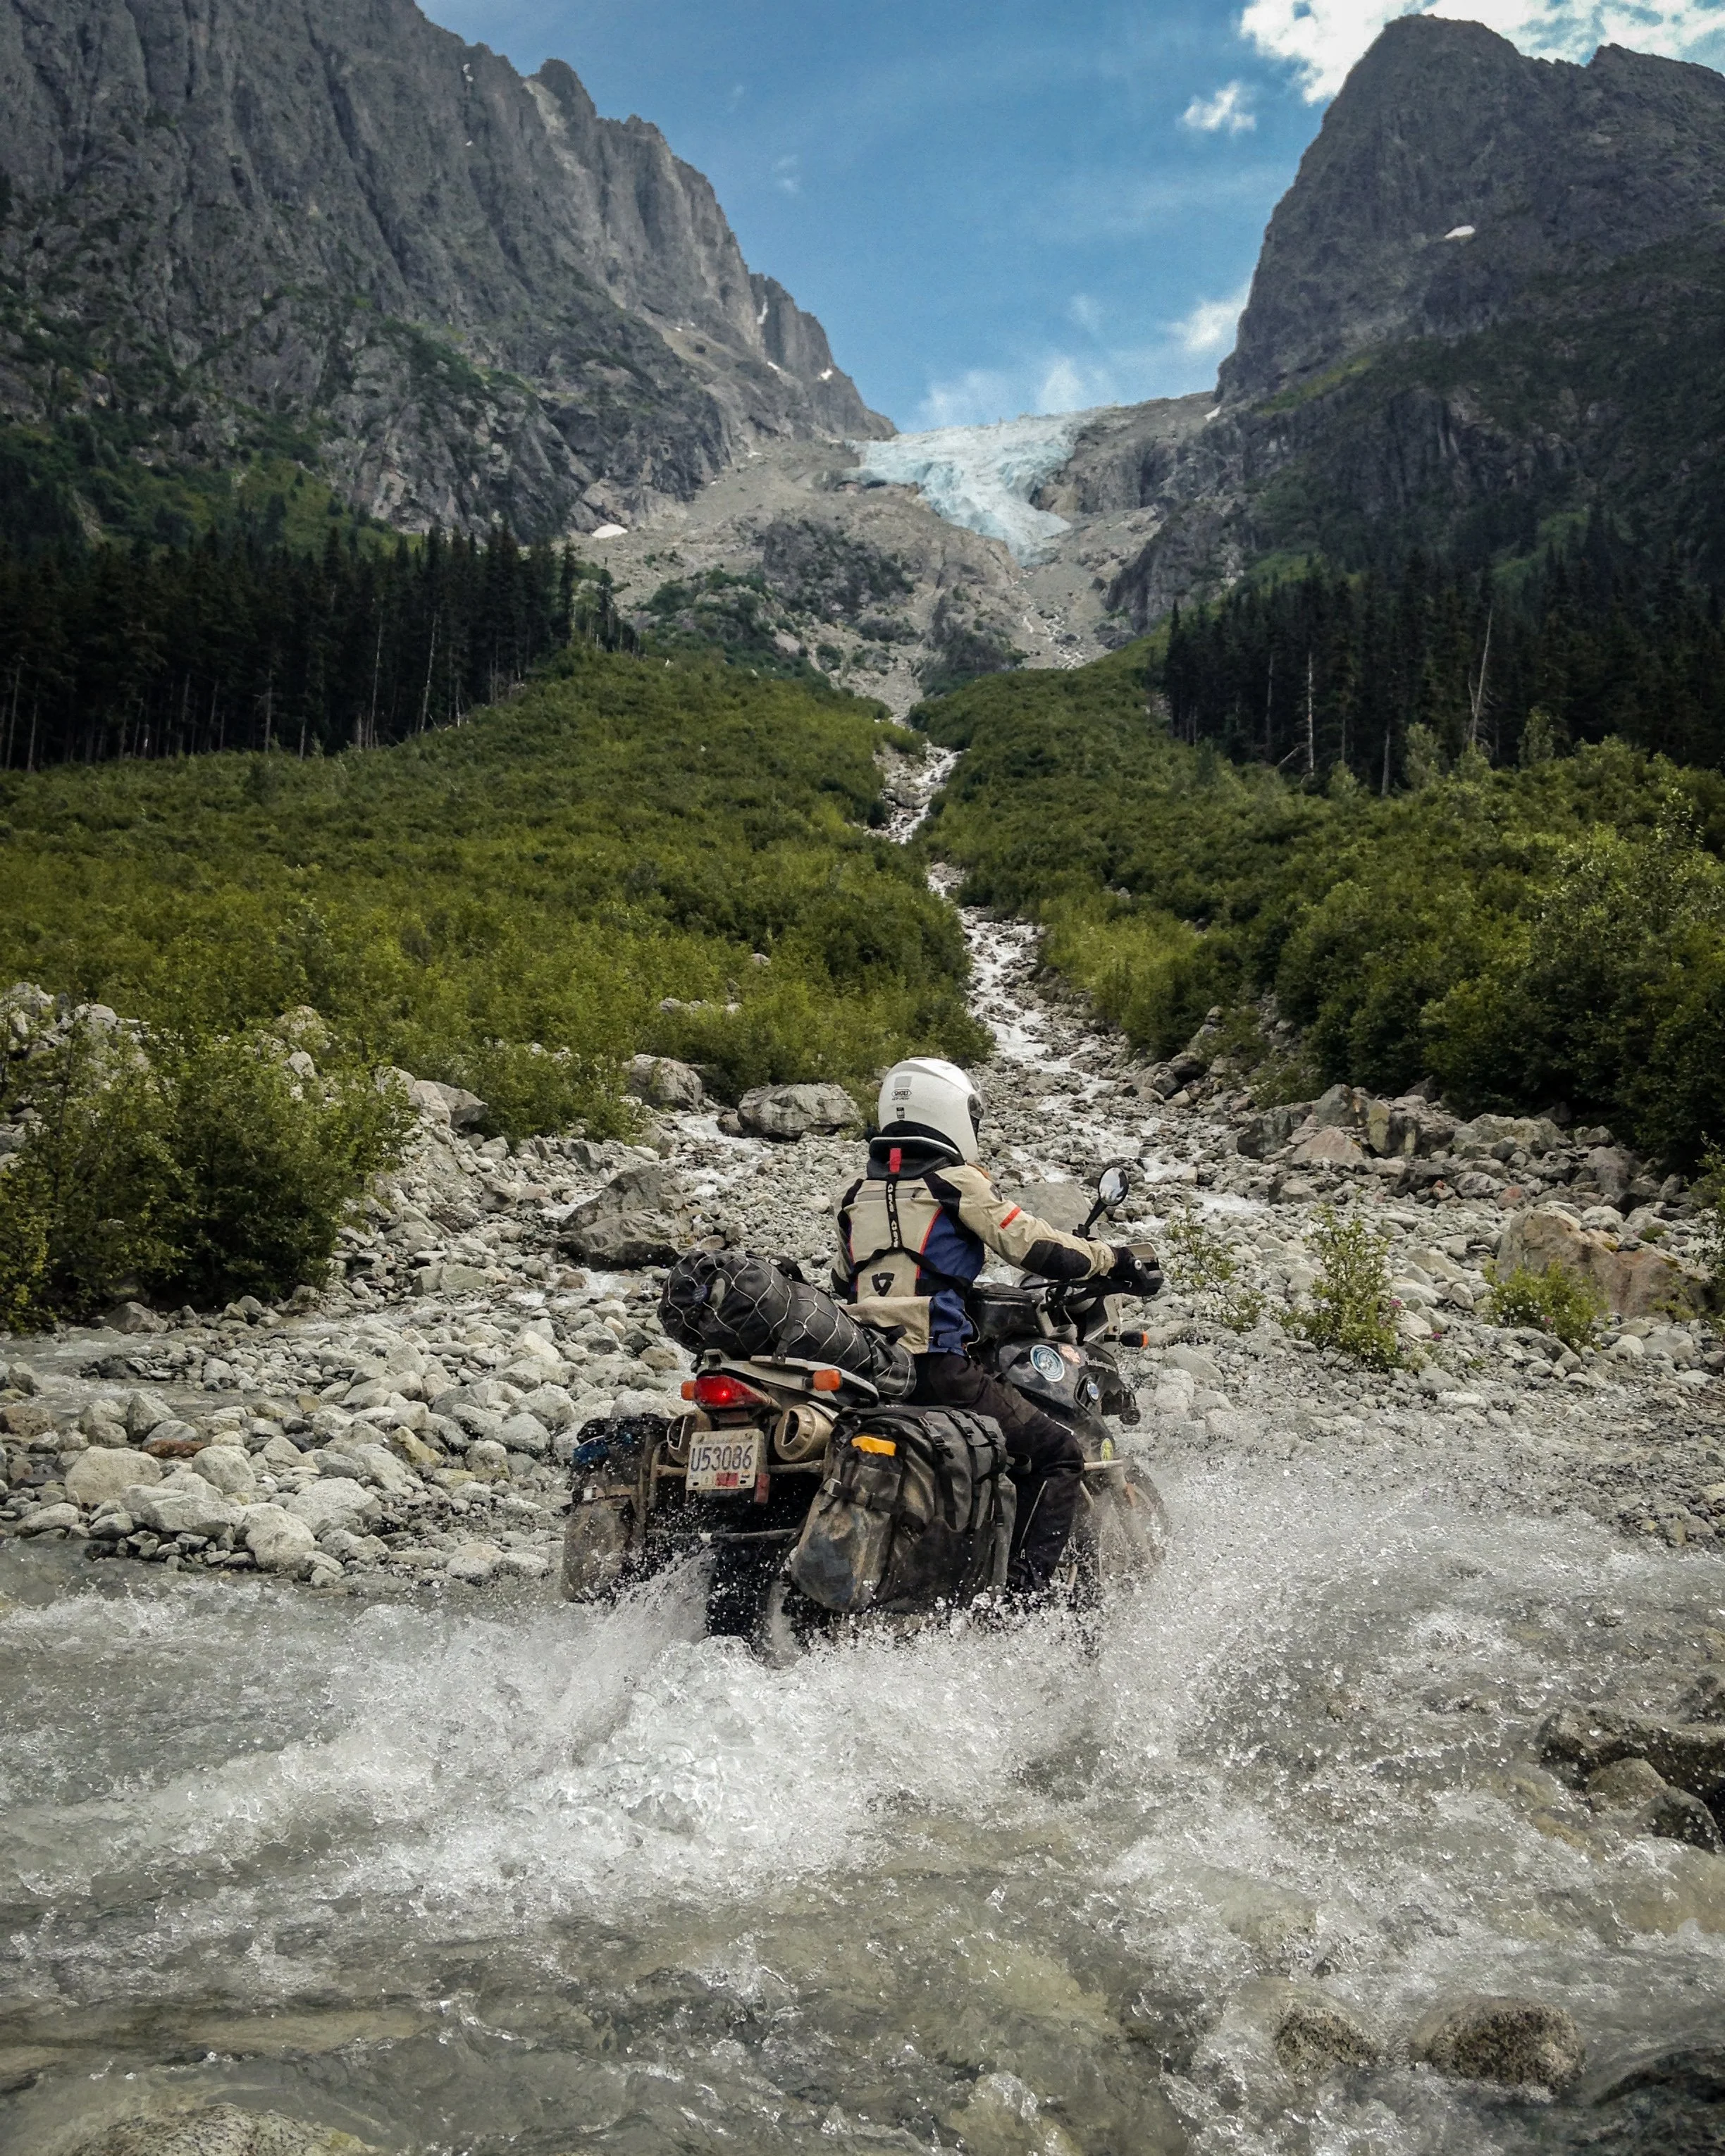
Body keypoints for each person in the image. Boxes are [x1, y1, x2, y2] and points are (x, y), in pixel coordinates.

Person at [835, 1057, 1160, 1594]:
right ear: (949, 1111)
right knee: (1058, 1455)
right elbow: (1035, 1246)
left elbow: (844, 1278)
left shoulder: (854, 1196)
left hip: (864, 1371)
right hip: (935, 1369)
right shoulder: (955, 1183)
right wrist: (1114, 1258)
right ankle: (1021, 1603)